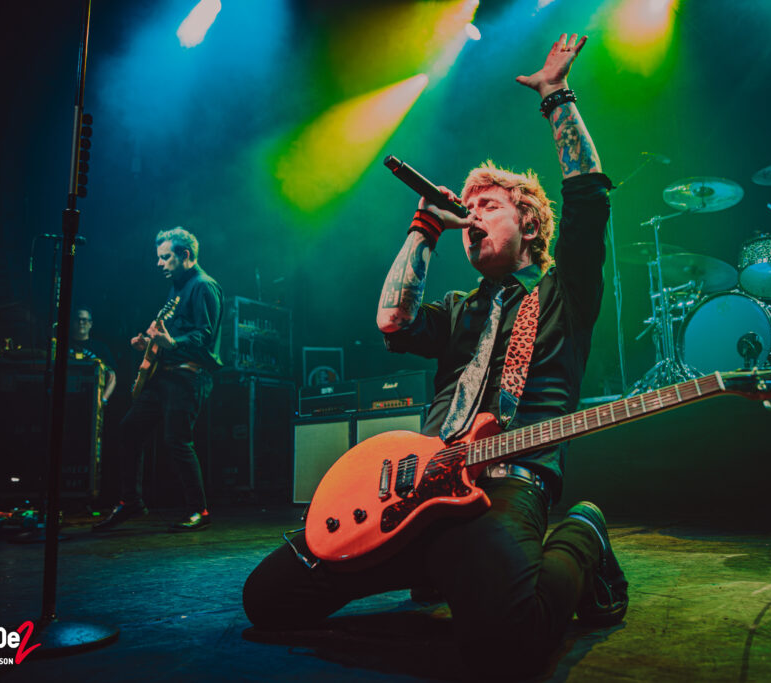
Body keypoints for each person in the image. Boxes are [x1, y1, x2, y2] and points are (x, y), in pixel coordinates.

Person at [242, 34, 627, 678]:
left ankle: (582, 533)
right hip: (418, 490)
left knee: (507, 644)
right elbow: (391, 321)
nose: (472, 218)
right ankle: (436, 565)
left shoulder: (564, 289)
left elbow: (588, 193)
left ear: (528, 224)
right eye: (466, 209)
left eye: (489, 207)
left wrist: (556, 96)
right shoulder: (458, 307)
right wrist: (424, 226)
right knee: (270, 600)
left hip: (504, 485)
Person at [94, 227, 223, 532]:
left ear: (185, 256)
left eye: (166, 257)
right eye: (159, 257)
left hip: (188, 377)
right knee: (128, 431)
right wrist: (149, 343)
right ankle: (131, 502)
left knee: (177, 441)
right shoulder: (176, 288)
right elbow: (170, 332)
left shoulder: (204, 287)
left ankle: (199, 511)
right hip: (164, 377)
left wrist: (172, 344)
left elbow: (205, 336)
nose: (159, 263)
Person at [69, 306, 117, 407]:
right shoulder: (61, 345)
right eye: (78, 319)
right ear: (72, 322)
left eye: (85, 320)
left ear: (91, 324)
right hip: (65, 400)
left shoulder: (100, 348)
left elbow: (112, 376)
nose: (81, 323)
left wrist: (103, 399)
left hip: (91, 402)